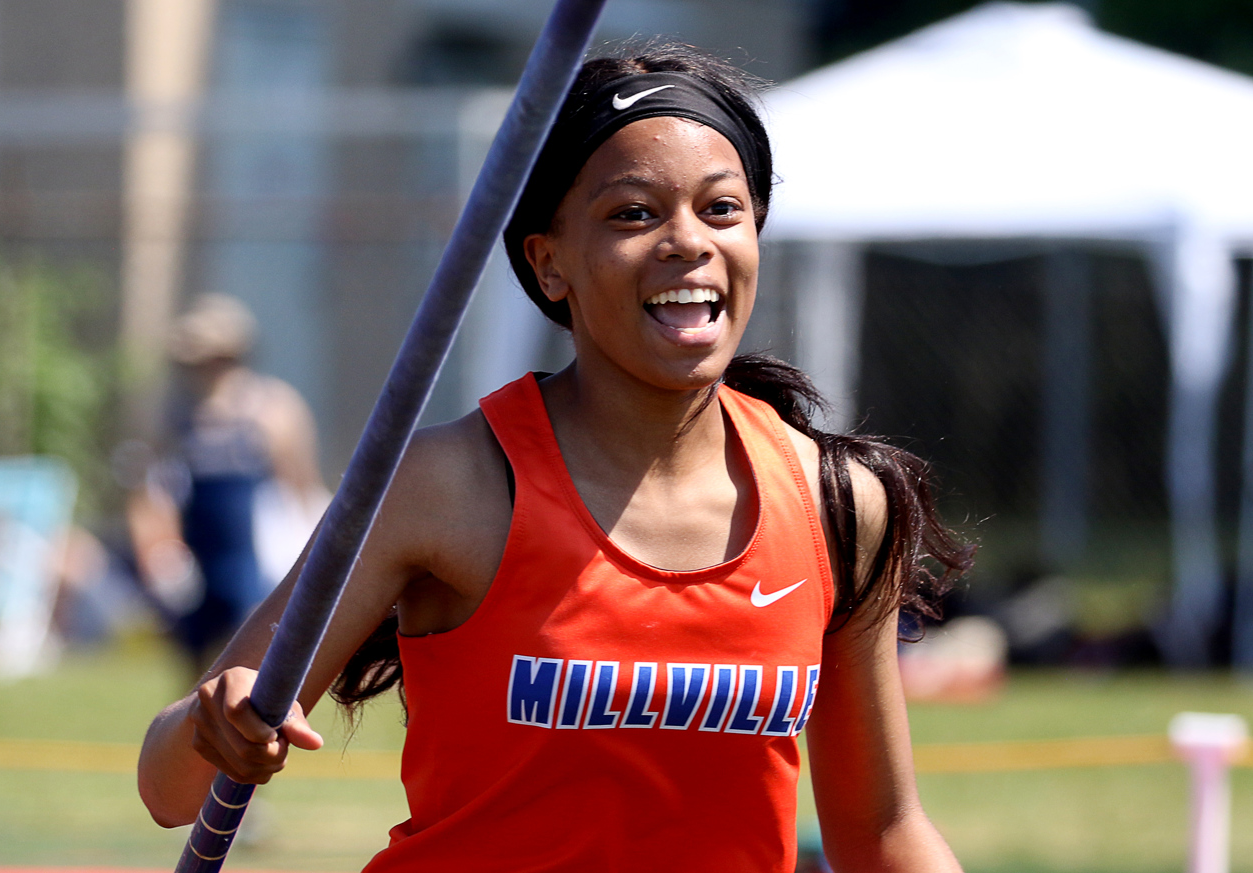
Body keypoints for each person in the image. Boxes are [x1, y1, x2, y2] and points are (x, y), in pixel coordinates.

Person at [138, 44, 974, 872]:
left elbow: (881, 832)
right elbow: (171, 787)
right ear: (549, 260)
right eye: (632, 214)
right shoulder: (448, 485)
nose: (688, 242)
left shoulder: (838, 504)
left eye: (722, 209)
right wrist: (217, 724)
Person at [127, 293, 327, 678]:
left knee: (252, 659)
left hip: (255, 559)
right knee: (195, 658)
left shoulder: (273, 408)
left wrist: (304, 551)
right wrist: (160, 554)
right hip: (198, 556)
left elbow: (301, 486)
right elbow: (153, 493)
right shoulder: (175, 413)